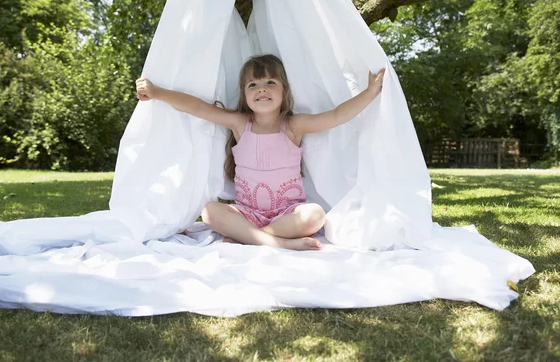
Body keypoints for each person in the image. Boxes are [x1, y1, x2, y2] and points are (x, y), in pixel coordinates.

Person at [136, 55, 385, 250]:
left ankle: (253, 239)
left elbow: (336, 116)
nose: (261, 89)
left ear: (284, 91)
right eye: (253, 84)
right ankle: (280, 244)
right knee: (210, 210)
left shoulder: (294, 126)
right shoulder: (239, 124)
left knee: (316, 214)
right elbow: (197, 107)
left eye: (270, 83)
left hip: (288, 215)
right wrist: (157, 93)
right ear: (245, 96)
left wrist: (370, 92)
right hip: (247, 213)